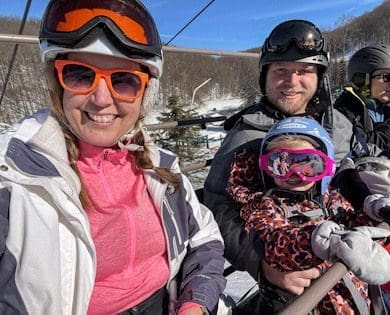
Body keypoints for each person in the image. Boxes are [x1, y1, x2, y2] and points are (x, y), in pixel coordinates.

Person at [0, 1, 226, 314]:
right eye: (80, 75)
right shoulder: (14, 177)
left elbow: (205, 239)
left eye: (123, 80)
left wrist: (195, 302)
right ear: (56, 84)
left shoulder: (159, 167)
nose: (102, 99)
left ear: (145, 93)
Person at [203, 19, 352, 310]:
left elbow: (349, 163)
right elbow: (216, 207)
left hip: (347, 261)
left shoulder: (334, 122)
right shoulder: (246, 138)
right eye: (281, 70)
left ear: (318, 76)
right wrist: (262, 263)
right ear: (266, 76)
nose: (293, 81)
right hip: (297, 278)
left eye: (305, 71)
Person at [226, 116, 390, 314]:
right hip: (319, 306)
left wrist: (376, 213)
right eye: (280, 164)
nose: (295, 175)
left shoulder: (331, 198)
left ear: (327, 167)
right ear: (266, 168)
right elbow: (271, 241)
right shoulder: (266, 207)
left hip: (363, 300)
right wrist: (316, 242)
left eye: (309, 164)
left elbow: (355, 226)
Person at [334, 44, 390, 173]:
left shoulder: (389, 102)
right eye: (387, 77)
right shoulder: (344, 111)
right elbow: (362, 146)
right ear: (364, 80)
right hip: (374, 182)